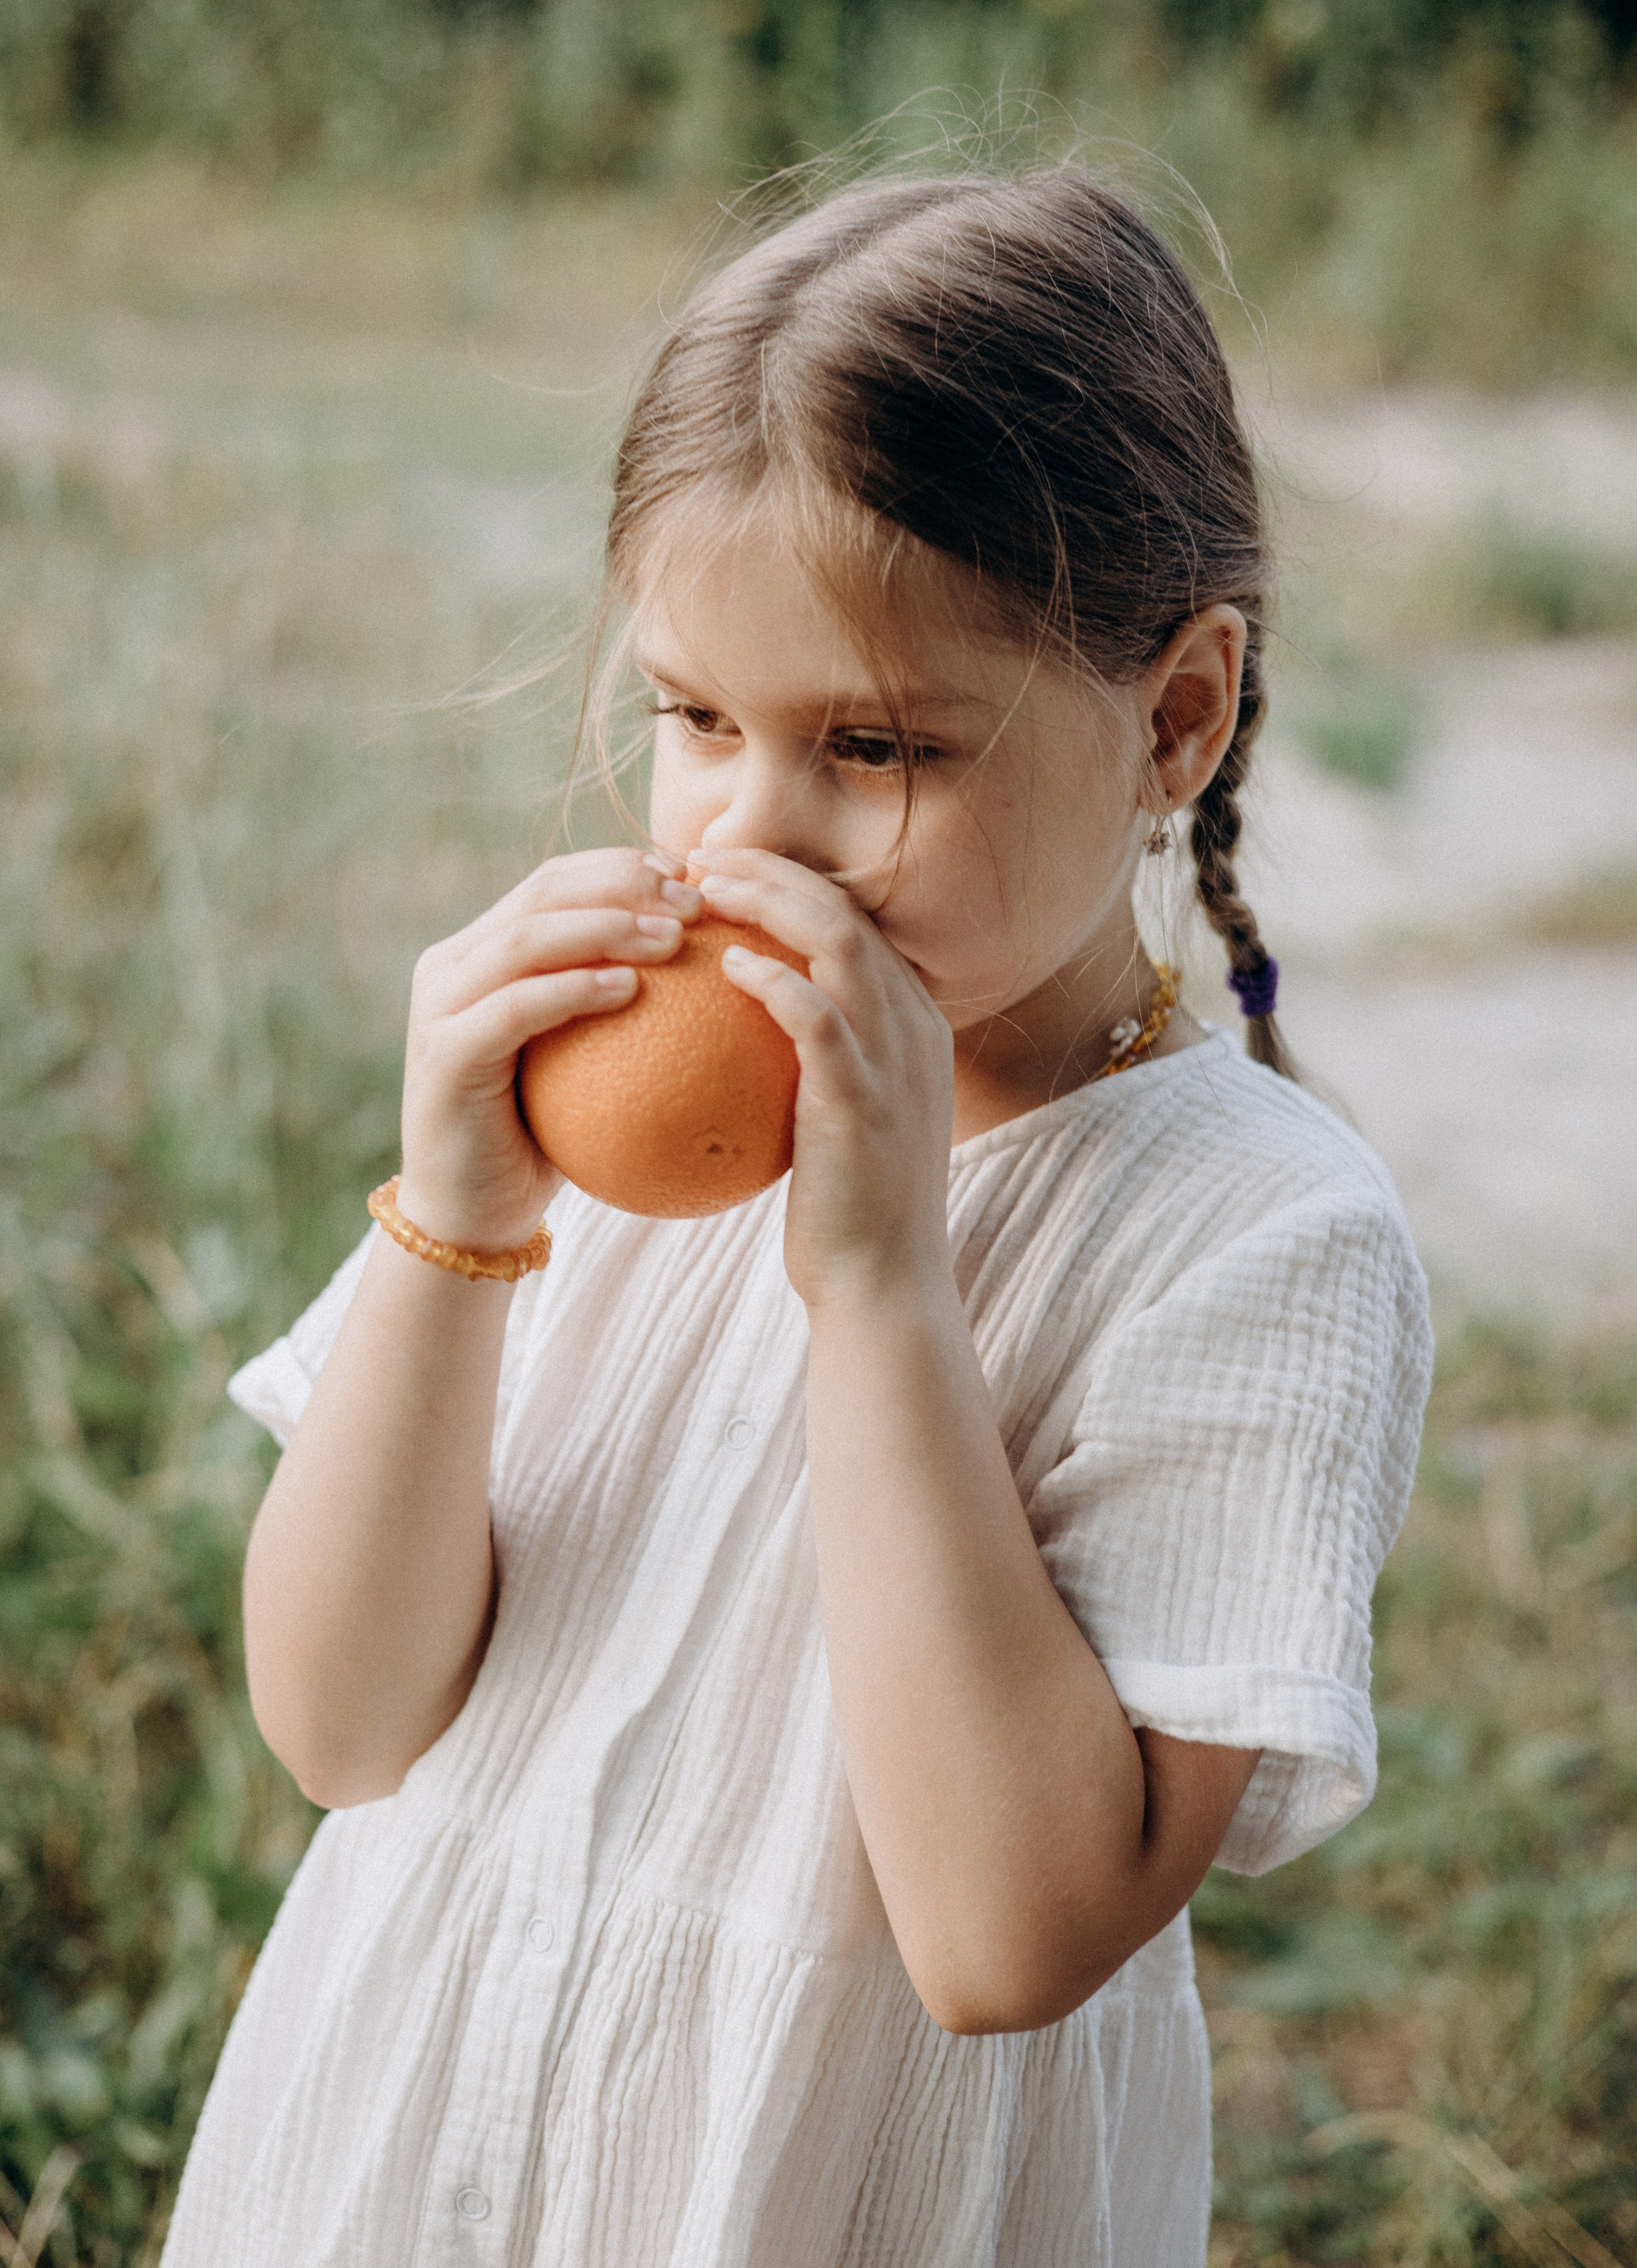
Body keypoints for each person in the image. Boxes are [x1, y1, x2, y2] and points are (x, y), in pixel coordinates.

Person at [162, 167, 1432, 2267]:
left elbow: (1006, 1934)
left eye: (873, 744)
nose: (754, 838)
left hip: (824, 2193)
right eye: (693, 720)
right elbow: (340, 1722)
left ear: (1174, 720)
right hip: (405, 2152)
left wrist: (878, 1285)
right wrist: (454, 1222)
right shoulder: (631, 1135)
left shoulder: (1257, 1240)